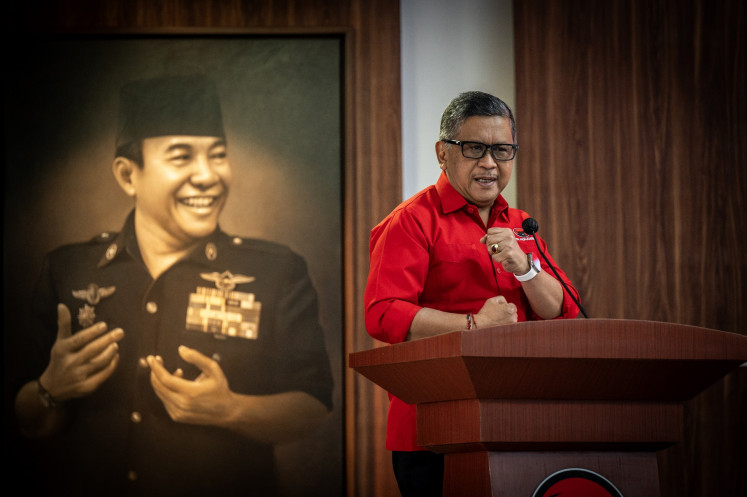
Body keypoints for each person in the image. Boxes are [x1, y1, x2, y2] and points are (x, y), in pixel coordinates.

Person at [12, 74, 334, 497]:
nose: (207, 176)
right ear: (129, 176)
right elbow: (24, 417)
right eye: (181, 157)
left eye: (218, 156)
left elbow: (313, 406)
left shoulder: (277, 271)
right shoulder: (66, 269)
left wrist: (232, 410)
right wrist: (51, 389)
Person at [364, 91, 581, 497]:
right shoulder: (410, 222)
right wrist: (474, 325)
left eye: (501, 150)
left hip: (517, 420)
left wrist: (526, 268)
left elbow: (563, 312)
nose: (489, 163)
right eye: (474, 148)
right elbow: (383, 313)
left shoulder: (520, 225)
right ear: (443, 154)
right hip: (434, 428)